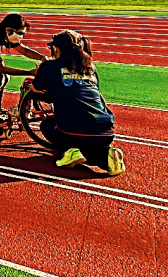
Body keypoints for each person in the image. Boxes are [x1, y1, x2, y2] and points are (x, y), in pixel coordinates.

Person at [31, 30, 125, 176]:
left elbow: (35, 88)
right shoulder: (90, 67)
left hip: (73, 130)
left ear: (56, 48)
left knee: (47, 126)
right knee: (89, 141)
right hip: (106, 129)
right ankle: (106, 157)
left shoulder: (50, 66)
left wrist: (41, 74)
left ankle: (68, 150)